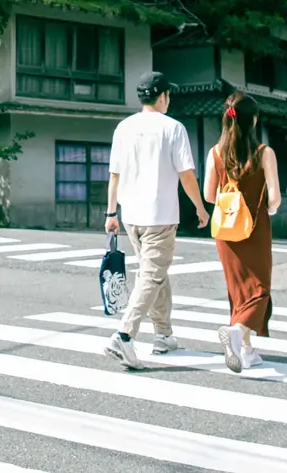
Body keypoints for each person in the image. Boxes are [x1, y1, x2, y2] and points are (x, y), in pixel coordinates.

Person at [103, 71, 209, 370]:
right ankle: (124, 336)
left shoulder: (124, 127)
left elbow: (115, 175)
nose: (169, 100)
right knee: (151, 276)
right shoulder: (173, 128)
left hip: (132, 216)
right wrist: (200, 208)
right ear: (162, 96)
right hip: (160, 215)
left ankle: (163, 334)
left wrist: (111, 214)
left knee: (155, 272)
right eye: (169, 95)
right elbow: (186, 174)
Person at [205, 91, 281, 373]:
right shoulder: (264, 153)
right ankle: (236, 331)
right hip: (255, 228)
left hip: (226, 229)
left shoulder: (214, 153)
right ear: (254, 120)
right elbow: (274, 198)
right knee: (259, 289)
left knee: (238, 290)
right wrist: (268, 208)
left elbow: (209, 195)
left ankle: (246, 348)